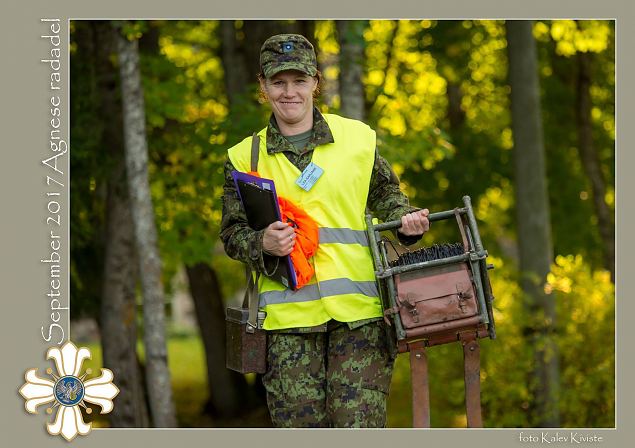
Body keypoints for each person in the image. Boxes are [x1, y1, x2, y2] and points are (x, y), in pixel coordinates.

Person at [220, 33, 430, 428]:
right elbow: (233, 233)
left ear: (316, 82)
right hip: (287, 328)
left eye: (299, 81)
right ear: (262, 87)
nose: (289, 92)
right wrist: (261, 242)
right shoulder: (242, 157)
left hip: (360, 320)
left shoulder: (357, 139)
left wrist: (407, 222)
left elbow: (386, 193)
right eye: (278, 82)